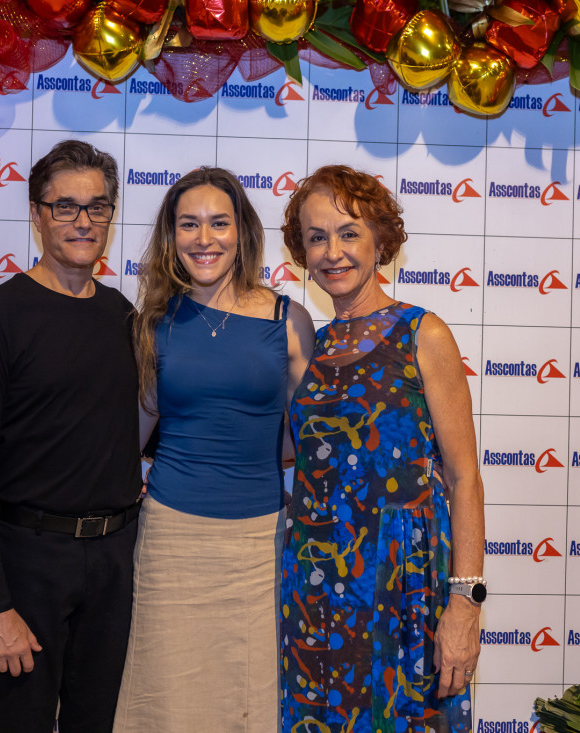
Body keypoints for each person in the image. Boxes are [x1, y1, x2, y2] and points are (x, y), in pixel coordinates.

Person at [279, 164, 486, 731]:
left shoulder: (423, 334)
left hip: (405, 590)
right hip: (316, 590)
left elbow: (465, 478)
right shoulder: (311, 350)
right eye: (316, 237)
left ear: (379, 239)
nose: (332, 252)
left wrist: (465, 604)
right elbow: (294, 457)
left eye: (348, 233)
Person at [0, 140, 141, 733]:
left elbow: (140, 432)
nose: (83, 221)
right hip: (25, 564)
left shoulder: (125, 318)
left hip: (113, 563)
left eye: (97, 206)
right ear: (37, 214)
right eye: (65, 207)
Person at [114, 167, 314, 731]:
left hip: (261, 542)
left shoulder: (288, 320)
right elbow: (135, 433)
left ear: (242, 231)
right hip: (170, 538)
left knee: (252, 701)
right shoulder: (154, 323)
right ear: (171, 236)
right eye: (189, 224)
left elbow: (306, 440)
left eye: (219, 223)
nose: (205, 238)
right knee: (165, 702)